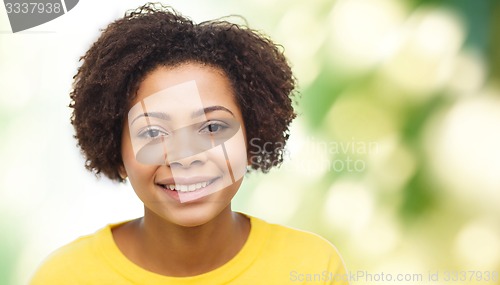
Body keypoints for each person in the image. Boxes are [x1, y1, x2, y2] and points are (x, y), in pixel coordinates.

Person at [30, 3, 349, 284]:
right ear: (117, 152)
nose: (185, 155)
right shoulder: (65, 277)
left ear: (252, 141)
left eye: (212, 126)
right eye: (153, 132)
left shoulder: (313, 268)